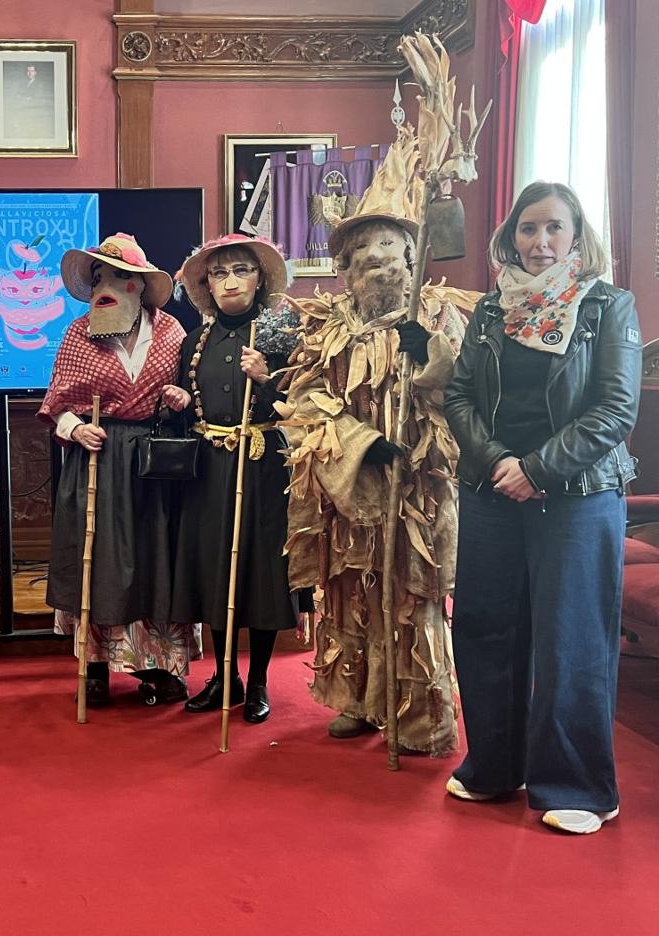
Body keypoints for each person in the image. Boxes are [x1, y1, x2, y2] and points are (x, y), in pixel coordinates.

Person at [444, 181, 640, 834]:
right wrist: (499, 461)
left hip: (578, 496)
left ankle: (580, 786)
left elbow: (616, 407)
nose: (540, 242)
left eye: (554, 228)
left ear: (577, 237)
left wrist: (537, 469)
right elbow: (460, 397)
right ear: (511, 237)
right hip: (492, 490)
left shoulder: (608, 306)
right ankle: (496, 766)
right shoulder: (491, 311)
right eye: (528, 229)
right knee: (484, 626)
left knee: (572, 639)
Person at [276, 129, 477, 756]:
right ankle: (360, 701)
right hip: (353, 486)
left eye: (391, 249)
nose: (380, 261)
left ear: (413, 254)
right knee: (350, 592)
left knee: (410, 596)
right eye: (365, 250)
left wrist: (433, 360)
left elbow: (467, 393)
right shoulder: (326, 330)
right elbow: (303, 404)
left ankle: (418, 716)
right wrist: (362, 444)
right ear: (345, 266)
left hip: (417, 488)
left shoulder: (440, 315)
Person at [39, 232, 196, 706]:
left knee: (156, 558)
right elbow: (57, 403)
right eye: (99, 276)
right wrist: (73, 429)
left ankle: (161, 664)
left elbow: (193, 396)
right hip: (97, 460)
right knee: (98, 561)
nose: (105, 284)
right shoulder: (78, 332)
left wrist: (179, 401)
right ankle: (95, 666)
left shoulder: (172, 332)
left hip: (153, 462)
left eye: (118, 276)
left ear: (140, 286)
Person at [164, 234, 304, 723]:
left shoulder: (280, 334)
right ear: (207, 284)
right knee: (215, 572)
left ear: (258, 277)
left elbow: (303, 406)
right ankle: (225, 676)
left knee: (260, 575)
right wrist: (180, 401)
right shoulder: (196, 339)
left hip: (261, 462)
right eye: (219, 273)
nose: (229, 282)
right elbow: (189, 401)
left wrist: (268, 379)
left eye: (240, 270)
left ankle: (259, 680)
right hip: (209, 467)